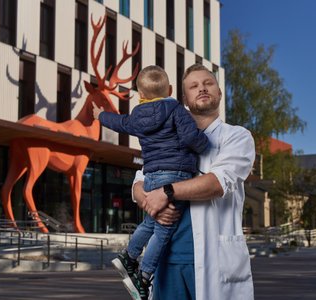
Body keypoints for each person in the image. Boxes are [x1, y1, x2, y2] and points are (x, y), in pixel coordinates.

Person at [132, 63, 256, 300]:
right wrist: (150, 201)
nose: (202, 88)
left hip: (215, 260)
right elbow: (138, 183)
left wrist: (166, 192)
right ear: (183, 98)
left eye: (208, 83)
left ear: (219, 92)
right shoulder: (165, 135)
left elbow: (218, 183)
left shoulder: (236, 136)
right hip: (166, 261)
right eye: (194, 86)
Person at [92, 65, 209, 300]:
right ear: (171, 90)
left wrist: (99, 116)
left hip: (152, 175)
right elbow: (188, 137)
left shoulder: (136, 115)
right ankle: (143, 276)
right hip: (176, 174)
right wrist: (204, 145)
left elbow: (119, 123)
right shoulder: (176, 108)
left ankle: (129, 256)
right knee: (164, 230)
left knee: (152, 221)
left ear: (140, 94)